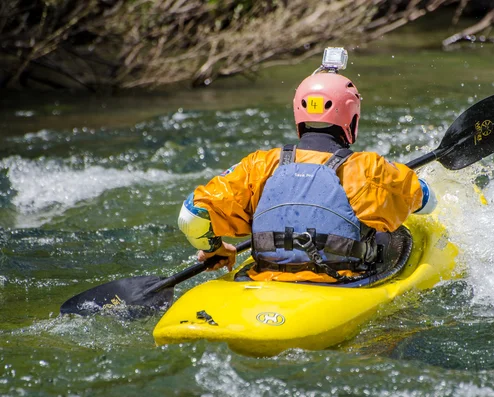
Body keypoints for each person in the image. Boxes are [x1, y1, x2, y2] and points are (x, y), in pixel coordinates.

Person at [177, 49, 436, 283]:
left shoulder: (260, 165)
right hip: (339, 284)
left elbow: (192, 216)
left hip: (265, 281)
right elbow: (427, 201)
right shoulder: (367, 169)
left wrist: (214, 248)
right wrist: (400, 179)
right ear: (352, 117)